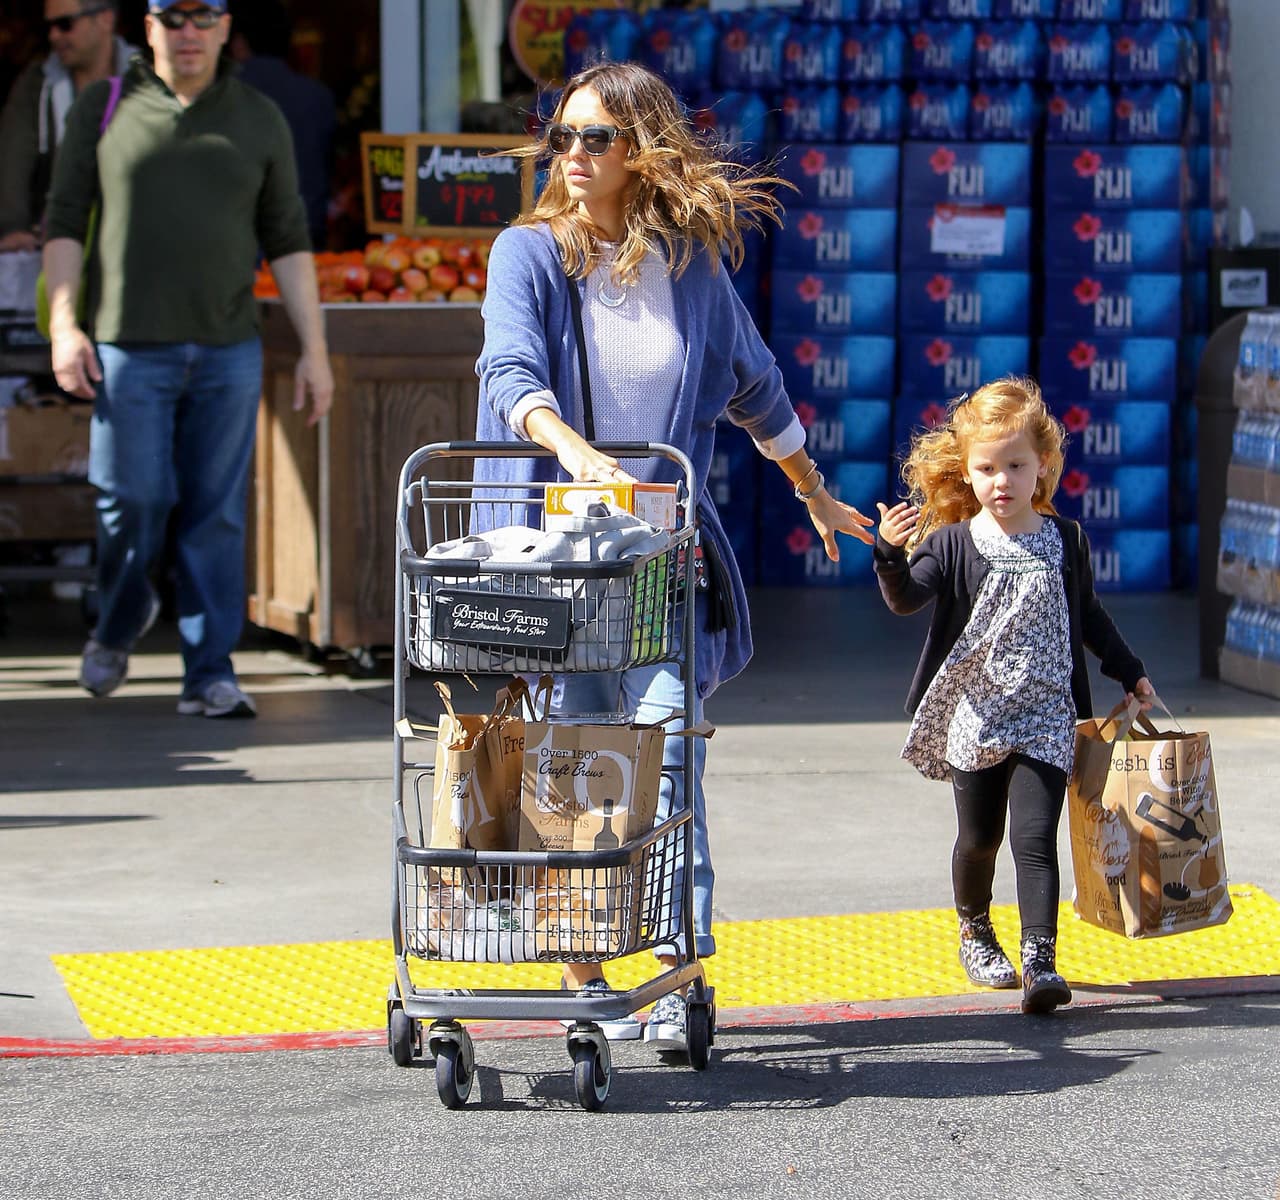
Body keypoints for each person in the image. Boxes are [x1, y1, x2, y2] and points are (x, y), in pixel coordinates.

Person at [474, 61, 874, 1048]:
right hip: (556, 560)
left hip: (657, 561)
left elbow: (754, 383)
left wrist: (810, 486)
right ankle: (583, 966)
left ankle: (670, 961)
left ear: (640, 150)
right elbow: (506, 366)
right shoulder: (527, 254)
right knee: (574, 751)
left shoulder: (687, 264)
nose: (571, 155)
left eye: (594, 139)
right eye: (559, 136)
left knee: (664, 758)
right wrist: (571, 452)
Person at [43, 0, 333, 718]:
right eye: (173, 17)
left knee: (215, 516)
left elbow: (289, 239)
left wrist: (315, 352)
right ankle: (118, 618)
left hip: (228, 348)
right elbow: (62, 224)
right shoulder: (104, 107)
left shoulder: (258, 116)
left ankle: (209, 671)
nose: (190, 31)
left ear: (228, 26)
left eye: (205, 16)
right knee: (131, 503)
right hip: (125, 348)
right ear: (147, 28)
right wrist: (62, 327)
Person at [873, 377, 1154, 1015]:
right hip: (976, 715)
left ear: (1044, 468)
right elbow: (905, 600)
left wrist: (1128, 669)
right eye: (987, 468)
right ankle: (974, 928)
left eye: (1016, 466)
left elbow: (1090, 617)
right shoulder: (953, 544)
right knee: (979, 838)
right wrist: (889, 554)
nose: (1002, 480)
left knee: (1035, 837)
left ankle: (1040, 962)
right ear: (967, 474)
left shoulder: (1067, 542)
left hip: (1048, 714)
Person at [0, 0, 135, 252]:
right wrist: (12, 227)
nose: (54, 36)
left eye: (65, 24)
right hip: (55, 240)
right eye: (49, 26)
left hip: (129, 238)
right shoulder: (37, 84)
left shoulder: (144, 79)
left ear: (106, 19)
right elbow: (13, 157)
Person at [228, 0, 335, 250]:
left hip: (239, 248)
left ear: (239, 42)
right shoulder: (316, 96)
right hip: (306, 241)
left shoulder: (220, 97)